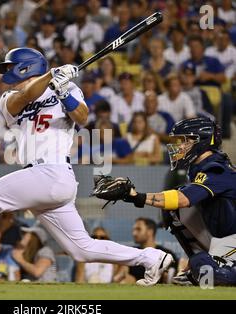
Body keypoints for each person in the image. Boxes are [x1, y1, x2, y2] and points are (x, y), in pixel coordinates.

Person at [0, 47, 172, 286]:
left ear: (26, 68)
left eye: (12, 67)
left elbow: (83, 119)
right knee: (81, 249)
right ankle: (151, 258)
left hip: (53, 172)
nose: (7, 73)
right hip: (42, 179)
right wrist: (52, 76)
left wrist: (62, 91)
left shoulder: (67, 87)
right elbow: (27, 95)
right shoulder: (8, 97)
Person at [93, 117, 236, 286]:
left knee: (209, 271)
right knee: (172, 210)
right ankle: (201, 267)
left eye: (183, 141)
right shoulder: (200, 167)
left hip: (232, 238)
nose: (178, 146)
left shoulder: (217, 169)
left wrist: (136, 196)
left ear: (200, 141)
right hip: (222, 236)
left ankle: (208, 267)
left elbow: (183, 200)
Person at [115, 218, 178, 284]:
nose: (134, 233)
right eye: (133, 230)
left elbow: (172, 275)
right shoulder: (131, 253)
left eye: (138, 229)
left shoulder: (166, 254)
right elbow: (120, 276)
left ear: (150, 231)